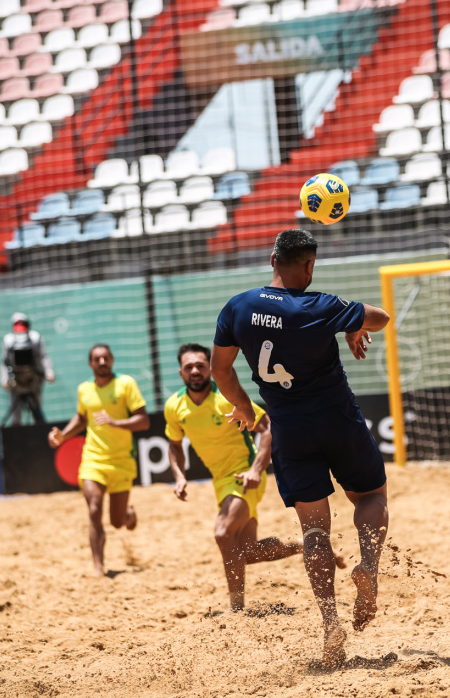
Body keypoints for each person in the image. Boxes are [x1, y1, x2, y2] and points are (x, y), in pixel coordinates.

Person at [210, 228, 390, 667]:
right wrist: (353, 326)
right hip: (337, 419)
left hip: (289, 428)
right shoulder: (320, 306)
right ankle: (367, 564)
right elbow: (380, 317)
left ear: (272, 258)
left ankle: (330, 621)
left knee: (313, 529)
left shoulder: (239, 307)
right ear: (308, 265)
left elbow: (221, 370)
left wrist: (245, 410)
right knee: (370, 496)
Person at [164, 343, 311, 612]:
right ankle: (305, 545)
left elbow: (267, 427)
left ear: (209, 368)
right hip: (220, 482)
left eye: (200, 365)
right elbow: (174, 445)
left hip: (244, 475)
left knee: (222, 533)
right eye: (189, 367)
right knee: (247, 552)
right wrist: (179, 476)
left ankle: (236, 610)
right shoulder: (174, 406)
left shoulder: (227, 397)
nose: (195, 371)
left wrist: (256, 469)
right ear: (181, 373)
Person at [48, 344, 149, 577]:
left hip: (122, 461)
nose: (102, 362)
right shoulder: (84, 389)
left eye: (106, 358)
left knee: (116, 521)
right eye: (97, 359)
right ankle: (98, 567)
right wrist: (63, 435)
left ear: (112, 360)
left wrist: (116, 422)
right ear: (90, 364)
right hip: (93, 459)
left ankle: (127, 514)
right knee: (94, 508)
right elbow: (82, 418)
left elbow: (143, 421)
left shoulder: (126, 384)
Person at [0, 312, 54, 426]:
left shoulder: (35, 338)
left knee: (36, 408)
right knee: (16, 411)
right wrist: (4, 379)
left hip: (33, 380)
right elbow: (4, 362)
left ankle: (38, 431)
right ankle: (16, 434)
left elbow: (43, 356)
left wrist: (49, 371)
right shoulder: (8, 340)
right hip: (16, 382)